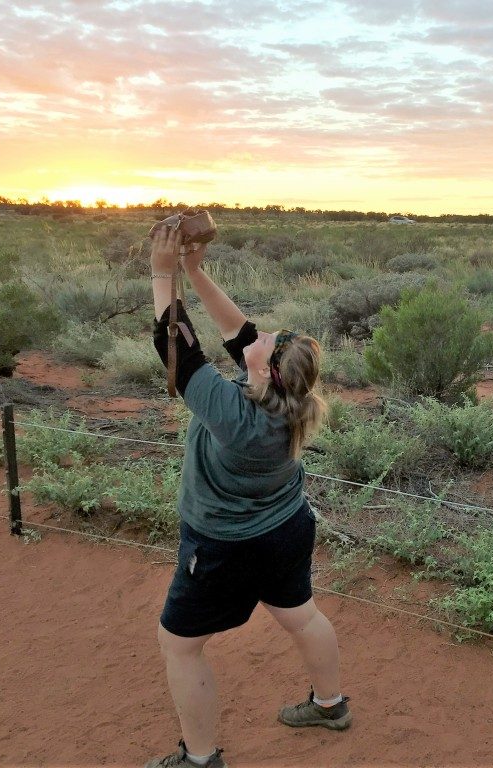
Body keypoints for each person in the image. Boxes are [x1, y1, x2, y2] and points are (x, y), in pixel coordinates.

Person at [144, 224, 350, 768]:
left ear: (267, 368)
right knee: (302, 615)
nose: (256, 338)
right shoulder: (285, 401)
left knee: (180, 644)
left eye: (265, 345)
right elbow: (239, 332)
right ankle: (330, 706)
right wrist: (193, 270)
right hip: (285, 528)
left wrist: (162, 272)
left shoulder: (235, 415)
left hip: (224, 546)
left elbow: (178, 350)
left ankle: (200, 758)